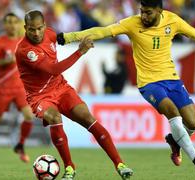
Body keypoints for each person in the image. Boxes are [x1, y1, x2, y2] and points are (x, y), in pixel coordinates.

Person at [56, 0, 195, 174]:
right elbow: (103, 31)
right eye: (141, 11)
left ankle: (174, 141)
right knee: (172, 112)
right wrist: (70, 36)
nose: (143, 16)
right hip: (149, 83)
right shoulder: (132, 23)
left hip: (172, 80)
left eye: (148, 12)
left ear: (159, 11)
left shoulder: (172, 20)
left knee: (193, 123)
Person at [15, 10, 133, 180]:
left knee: (87, 118)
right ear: (25, 28)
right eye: (31, 29)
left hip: (61, 88)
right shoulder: (25, 50)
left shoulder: (49, 34)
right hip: (40, 96)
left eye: (39, 28)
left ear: (45, 26)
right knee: (55, 118)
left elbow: (68, 37)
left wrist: (87, 36)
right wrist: (80, 52)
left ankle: (120, 165)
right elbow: (53, 69)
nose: (36, 33)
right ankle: (69, 168)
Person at [0, 13, 34, 165]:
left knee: (29, 115)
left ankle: (20, 145)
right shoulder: (0, 42)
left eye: (14, 22)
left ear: (19, 24)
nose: (11, 25)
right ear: (4, 25)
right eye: (8, 22)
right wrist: (5, 60)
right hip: (3, 88)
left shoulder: (25, 42)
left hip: (20, 88)